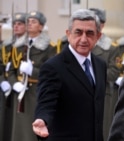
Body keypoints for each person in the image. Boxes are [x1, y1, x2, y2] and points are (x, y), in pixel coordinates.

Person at [32, 9, 107, 141]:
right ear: (68, 34)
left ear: (98, 37)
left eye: (89, 33)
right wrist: (42, 119)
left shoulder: (100, 65)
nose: (83, 39)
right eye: (78, 32)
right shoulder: (53, 67)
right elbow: (46, 101)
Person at [6, 10, 56, 141]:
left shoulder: (49, 47)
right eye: (28, 21)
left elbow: (51, 74)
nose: (29, 24)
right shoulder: (18, 46)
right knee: (19, 130)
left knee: (32, 129)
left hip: (36, 92)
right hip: (20, 94)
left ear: (41, 26)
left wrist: (32, 71)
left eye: (34, 22)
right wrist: (14, 83)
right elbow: (11, 70)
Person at [89, 7, 120, 141]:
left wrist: (90, 74)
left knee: (101, 131)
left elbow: (113, 72)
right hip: (81, 92)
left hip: (102, 93)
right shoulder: (80, 44)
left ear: (102, 25)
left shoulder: (111, 47)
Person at [0, 12, 27, 141]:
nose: (16, 27)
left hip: (20, 87)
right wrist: (2, 81)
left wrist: (14, 82)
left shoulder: (27, 46)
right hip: (5, 86)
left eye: (20, 24)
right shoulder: (6, 45)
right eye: (14, 24)